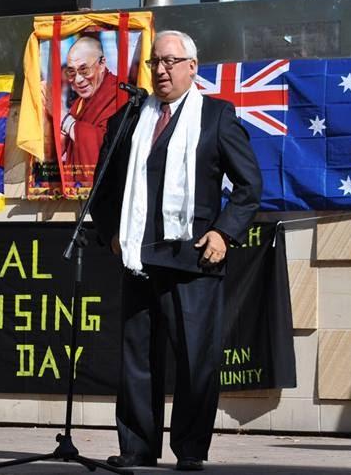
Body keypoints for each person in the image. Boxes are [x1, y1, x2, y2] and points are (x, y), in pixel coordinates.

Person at [91, 30, 261, 471]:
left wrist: (224, 233)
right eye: (155, 63)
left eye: (170, 61)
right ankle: (137, 447)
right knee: (137, 360)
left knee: (194, 362)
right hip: (138, 259)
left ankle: (189, 451)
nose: (161, 70)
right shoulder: (129, 119)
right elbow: (104, 188)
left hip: (194, 261)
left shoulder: (217, 117)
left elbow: (248, 187)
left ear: (192, 66)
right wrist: (111, 231)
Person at [56, 36, 119, 189]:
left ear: (102, 63)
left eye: (84, 70)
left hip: (107, 194)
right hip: (74, 195)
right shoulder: (79, 103)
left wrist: (66, 121)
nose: (78, 80)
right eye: (71, 72)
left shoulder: (119, 94)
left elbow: (107, 143)